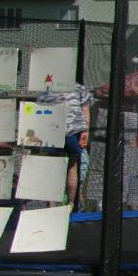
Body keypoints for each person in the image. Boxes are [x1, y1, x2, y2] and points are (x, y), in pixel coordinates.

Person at [36, 81, 92, 209]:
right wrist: (86, 132)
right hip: (73, 131)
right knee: (72, 166)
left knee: (52, 167)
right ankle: (70, 204)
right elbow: (85, 110)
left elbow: (38, 111)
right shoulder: (78, 88)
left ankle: (51, 204)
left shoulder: (46, 89)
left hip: (52, 131)